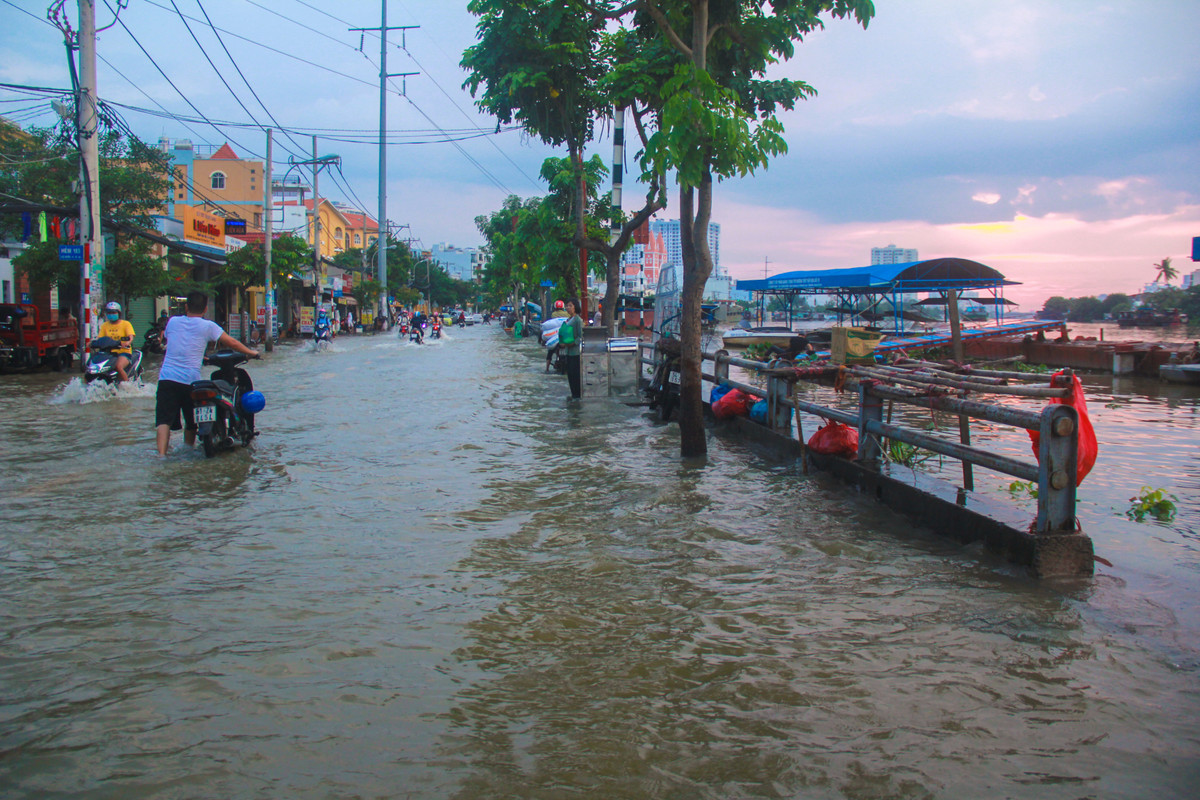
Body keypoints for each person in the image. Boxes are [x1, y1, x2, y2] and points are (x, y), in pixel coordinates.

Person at [156, 290, 258, 456]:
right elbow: (231, 342)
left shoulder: (173, 321)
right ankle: (188, 450)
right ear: (205, 310)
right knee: (191, 422)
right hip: (190, 382)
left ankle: (161, 455)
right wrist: (251, 352)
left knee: (163, 421)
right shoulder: (208, 326)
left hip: (167, 379)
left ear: (186, 307)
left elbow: (177, 342)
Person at [98, 300, 135, 382]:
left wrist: (127, 342)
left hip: (123, 352)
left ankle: (127, 385)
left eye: (114, 312)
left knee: (118, 366)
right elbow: (100, 338)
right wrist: (92, 343)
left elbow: (130, 337)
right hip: (108, 353)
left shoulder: (126, 324)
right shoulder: (104, 325)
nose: (111, 314)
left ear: (119, 313)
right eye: (109, 312)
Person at [561, 299, 584, 399]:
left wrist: (572, 343)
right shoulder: (568, 320)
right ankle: (573, 395)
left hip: (576, 353)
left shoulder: (578, 320)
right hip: (568, 352)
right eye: (567, 306)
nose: (568, 308)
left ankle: (577, 396)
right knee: (570, 375)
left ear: (575, 307)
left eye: (570, 306)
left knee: (575, 376)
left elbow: (580, 336)